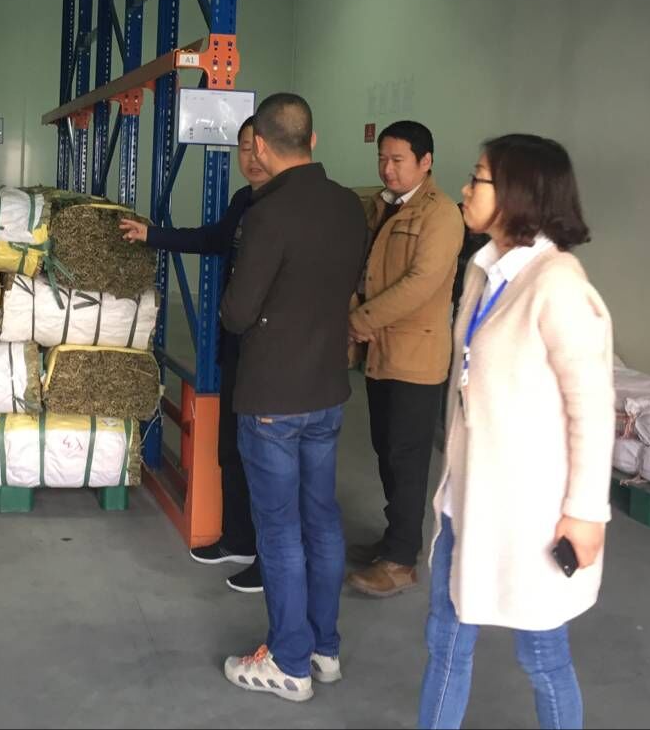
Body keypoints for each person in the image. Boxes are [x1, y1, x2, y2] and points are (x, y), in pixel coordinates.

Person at [418, 134, 613, 730]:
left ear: (517, 192)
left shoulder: (558, 284)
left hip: (530, 513)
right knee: (446, 640)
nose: (464, 188)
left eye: (477, 178)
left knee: (542, 655)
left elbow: (592, 408)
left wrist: (585, 513)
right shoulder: (485, 271)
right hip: (466, 499)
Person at [217, 93, 368, 704]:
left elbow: (237, 313)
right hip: (327, 389)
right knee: (321, 520)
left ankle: (288, 662)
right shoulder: (349, 205)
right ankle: (323, 648)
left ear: (259, 145)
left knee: (279, 531)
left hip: (273, 398)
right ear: (313, 138)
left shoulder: (269, 214)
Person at [119, 116, 269, 593]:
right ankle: (239, 539)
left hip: (273, 352)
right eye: (243, 147)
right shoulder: (244, 201)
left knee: (268, 459)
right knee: (232, 447)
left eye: (257, 147)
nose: (250, 158)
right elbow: (212, 239)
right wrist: (154, 235)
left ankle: (269, 560)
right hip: (237, 342)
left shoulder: (288, 209)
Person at [347, 120, 464, 598]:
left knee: (407, 456)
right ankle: (395, 538)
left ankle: (400, 562)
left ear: (425, 161)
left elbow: (420, 284)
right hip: (382, 352)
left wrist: (360, 319)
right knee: (386, 448)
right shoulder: (384, 205)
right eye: (382, 159)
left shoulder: (441, 215)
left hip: (416, 355)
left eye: (397, 160)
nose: (387, 169)